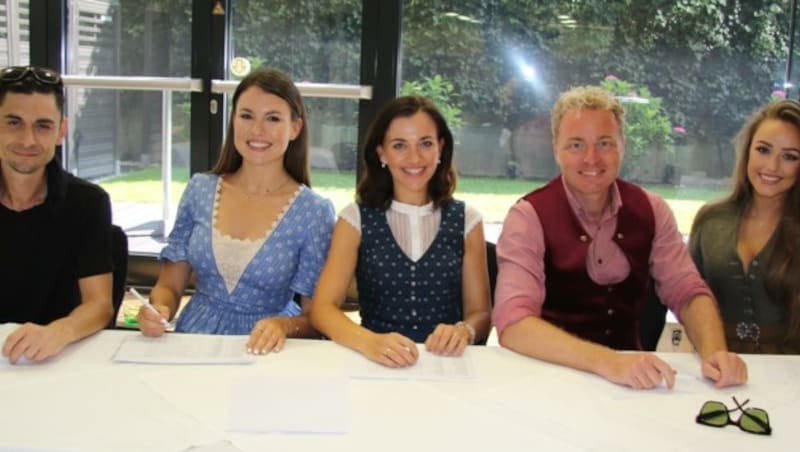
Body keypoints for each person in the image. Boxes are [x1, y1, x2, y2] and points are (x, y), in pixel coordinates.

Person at [492, 85, 748, 389]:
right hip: (550, 379)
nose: (591, 158)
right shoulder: (528, 216)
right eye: (576, 145)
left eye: (604, 143)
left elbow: (687, 290)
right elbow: (513, 322)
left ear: (622, 145)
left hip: (632, 381)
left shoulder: (652, 209)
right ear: (556, 149)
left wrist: (715, 353)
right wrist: (608, 362)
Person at [138, 68, 335, 355]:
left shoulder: (314, 212)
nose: (257, 130)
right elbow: (169, 284)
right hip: (195, 338)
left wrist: (284, 325)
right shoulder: (199, 190)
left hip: (268, 347)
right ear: (232, 122)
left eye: (273, 118)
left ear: (295, 128)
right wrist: (159, 309)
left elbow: (316, 316)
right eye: (246, 116)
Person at [310, 96, 491, 367]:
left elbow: (481, 313)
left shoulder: (468, 221)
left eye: (426, 144)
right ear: (381, 153)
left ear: (441, 148)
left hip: (445, 367)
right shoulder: (354, 220)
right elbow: (322, 309)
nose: (414, 157)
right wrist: (368, 341)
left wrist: (464, 331)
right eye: (399, 146)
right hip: (375, 364)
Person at [0, 66, 113, 364]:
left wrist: (60, 331)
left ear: (61, 131)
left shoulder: (87, 203)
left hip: (57, 359)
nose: (28, 140)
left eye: (43, 126)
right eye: (14, 123)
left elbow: (100, 305)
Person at [690, 99, 800, 354]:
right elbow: (687, 299)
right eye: (763, 150)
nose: (772, 166)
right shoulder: (710, 220)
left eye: (790, 156)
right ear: (747, 150)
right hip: (716, 370)